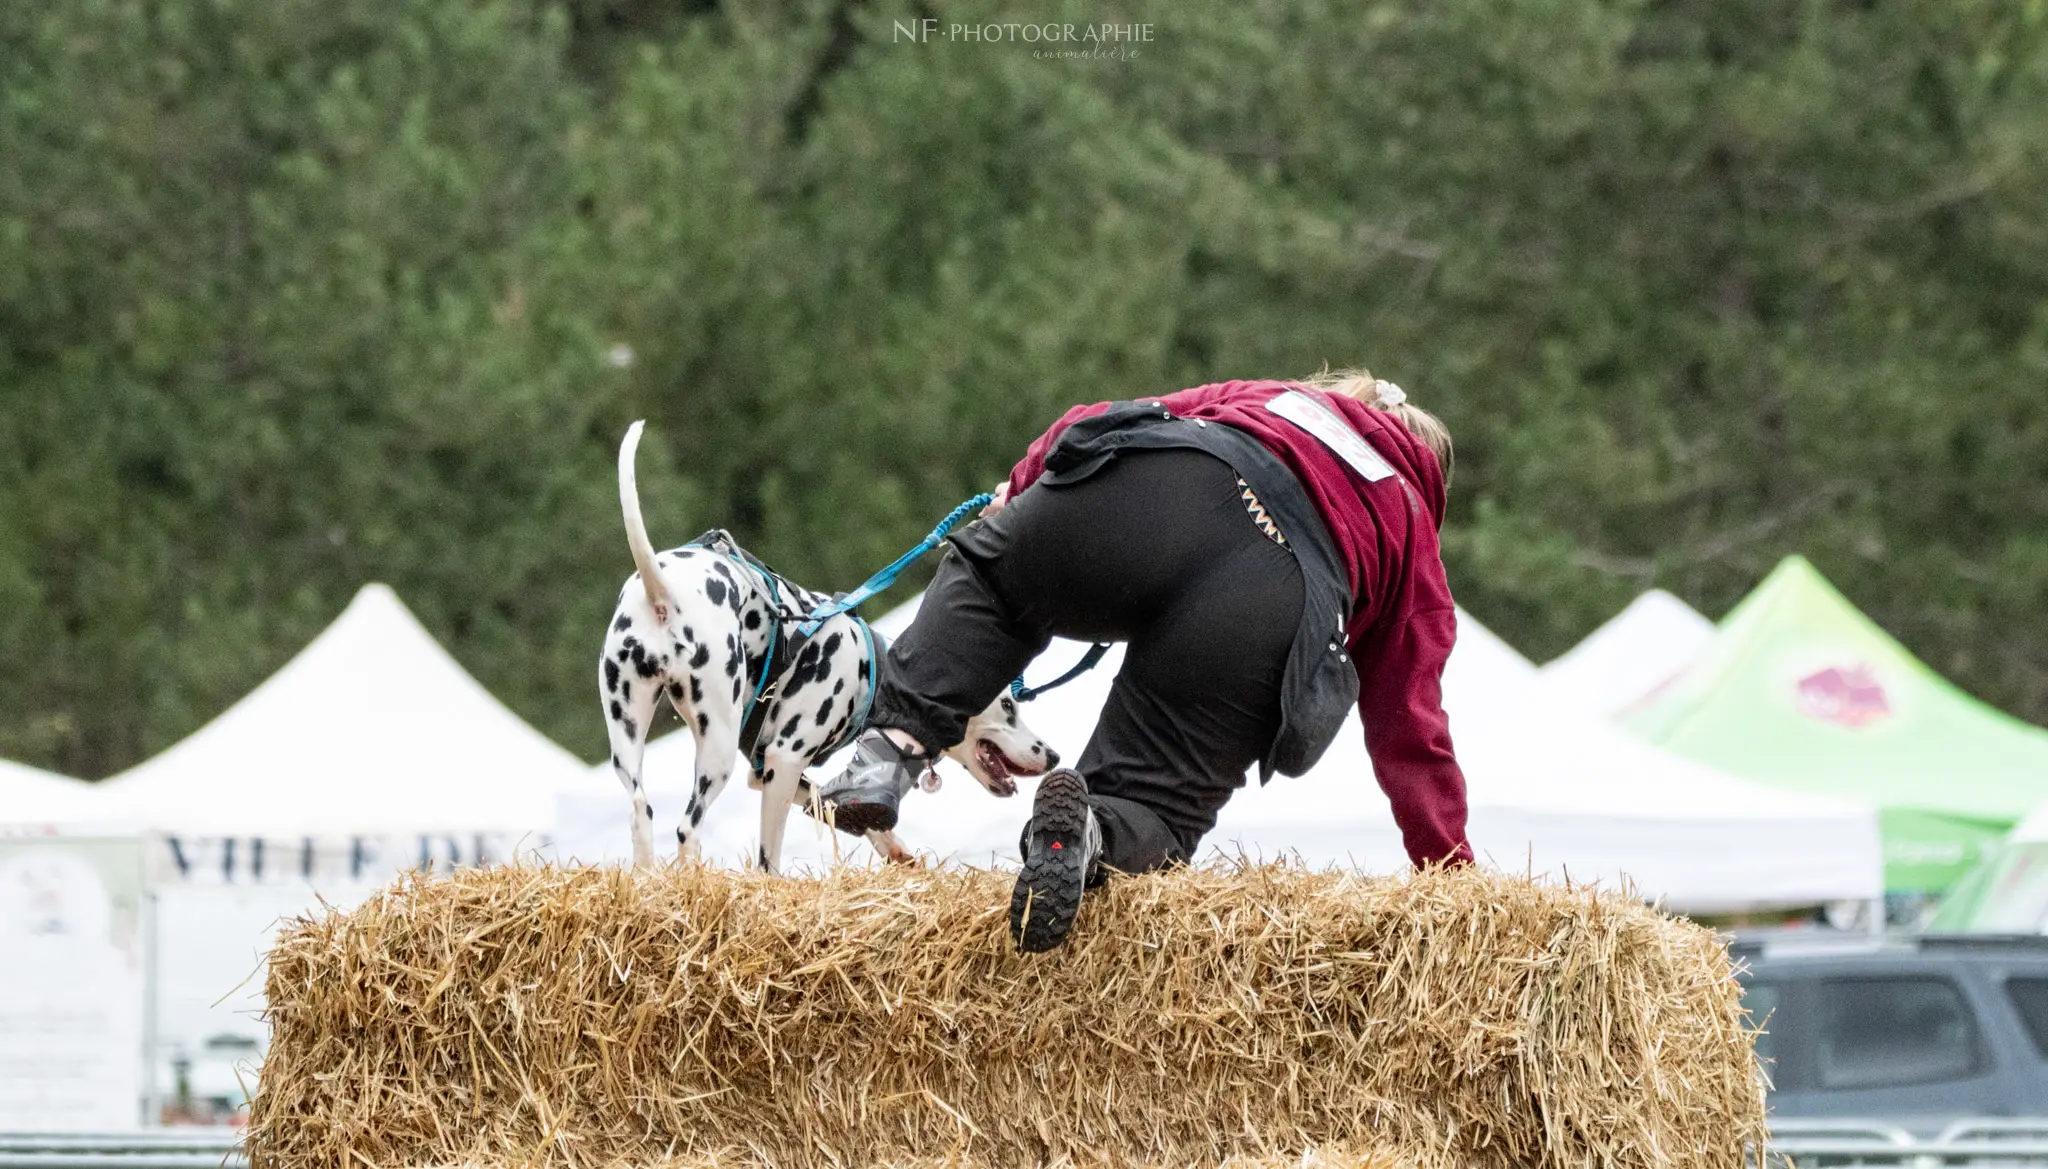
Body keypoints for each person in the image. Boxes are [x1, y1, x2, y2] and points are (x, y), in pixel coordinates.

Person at [818, 370, 1474, 951]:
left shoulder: (1278, 398)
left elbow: (1106, 416)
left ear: (1344, 399)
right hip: (1273, 597)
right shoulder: (1411, 522)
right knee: (1159, 802)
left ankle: (888, 752)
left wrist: (1021, 491)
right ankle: (1090, 832)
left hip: (1160, 483)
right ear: (1429, 476)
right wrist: (1454, 880)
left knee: (996, 581)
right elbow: (1412, 730)